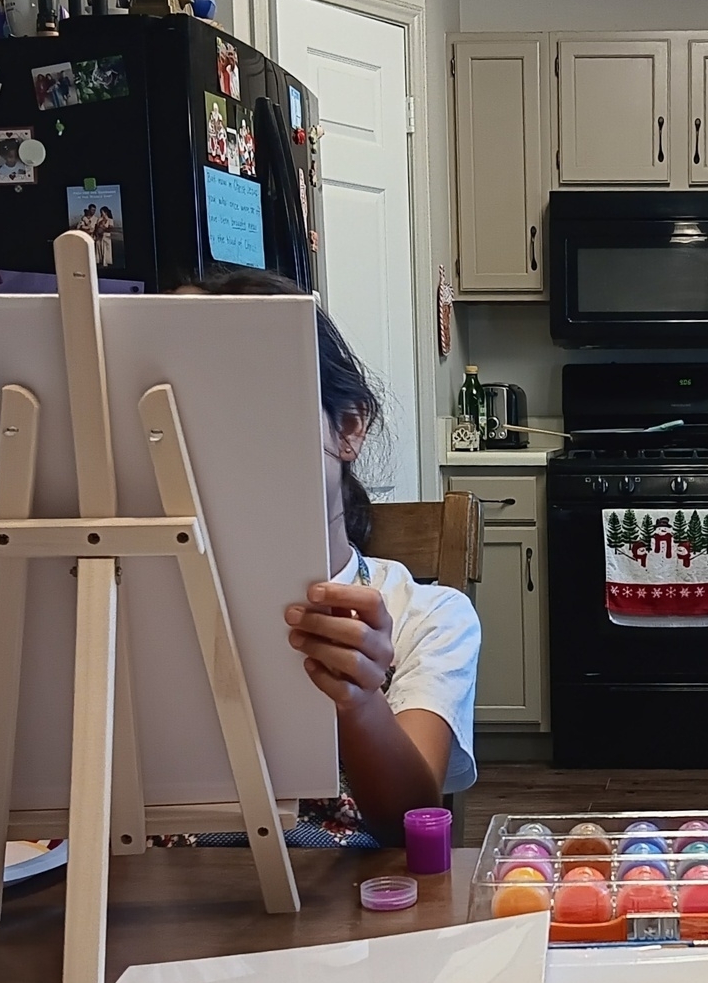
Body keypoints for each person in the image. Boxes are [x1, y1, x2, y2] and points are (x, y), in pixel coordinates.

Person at [163, 271, 480, 846]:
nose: (227, 448)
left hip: (349, 908)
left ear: (350, 428)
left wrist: (360, 703)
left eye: (261, 408)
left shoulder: (426, 616)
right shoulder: (130, 596)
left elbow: (409, 823)